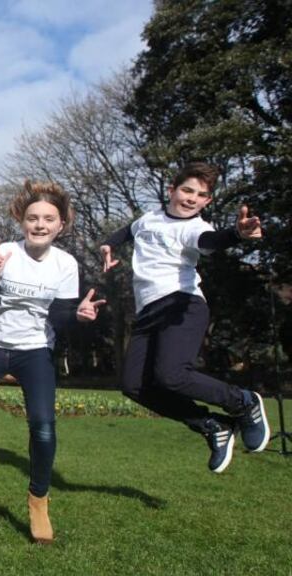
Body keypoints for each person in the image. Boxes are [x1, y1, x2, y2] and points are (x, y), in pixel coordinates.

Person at [0, 180, 104, 544]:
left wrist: (77, 316)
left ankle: (38, 500)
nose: (40, 224)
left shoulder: (66, 264)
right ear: (22, 222)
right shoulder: (4, 253)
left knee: (44, 427)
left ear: (61, 224)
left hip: (35, 351)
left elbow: (59, 321)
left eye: (49, 218)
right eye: (33, 218)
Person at [100, 162, 268, 474]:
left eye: (201, 195)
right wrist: (108, 246)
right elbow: (125, 231)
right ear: (172, 191)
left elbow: (212, 242)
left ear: (207, 202)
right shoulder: (148, 220)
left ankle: (243, 402)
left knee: (172, 375)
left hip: (182, 303)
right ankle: (212, 425)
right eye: (187, 190)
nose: (192, 198)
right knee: (133, 385)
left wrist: (237, 234)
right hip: (148, 311)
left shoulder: (195, 229)